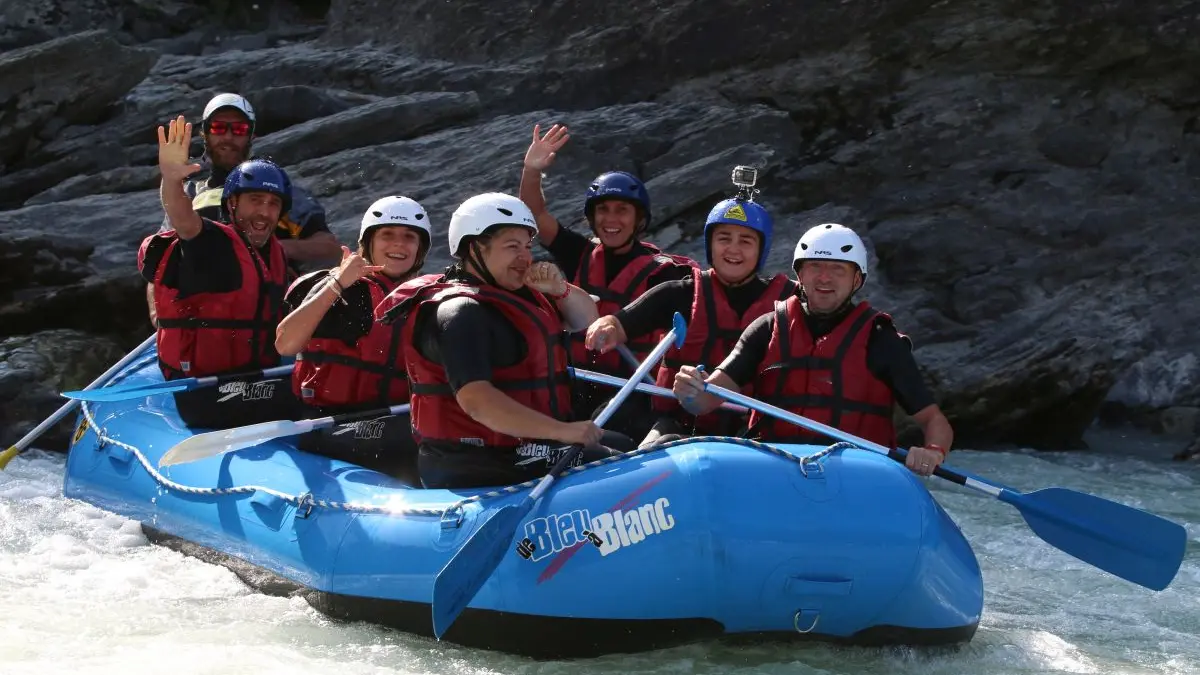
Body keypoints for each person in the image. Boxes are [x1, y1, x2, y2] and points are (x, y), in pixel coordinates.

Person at [376, 192, 634, 489]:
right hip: (471, 458)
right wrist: (562, 431)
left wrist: (559, 289)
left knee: (624, 442)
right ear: (474, 249)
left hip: (520, 445)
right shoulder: (459, 311)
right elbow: (477, 402)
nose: (525, 257)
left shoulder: (523, 295)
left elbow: (586, 321)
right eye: (512, 247)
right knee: (617, 461)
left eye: (527, 246)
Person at [671, 223, 955, 477]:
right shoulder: (767, 329)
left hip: (856, 474)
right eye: (815, 267)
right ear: (800, 274)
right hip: (774, 468)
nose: (824, 278)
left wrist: (932, 451)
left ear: (857, 280)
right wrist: (691, 391)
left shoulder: (882, 340)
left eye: (837, 269)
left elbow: (934, 420)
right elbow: (705, 401)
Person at [585, 178, 797, 445]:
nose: (733, 249)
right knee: (650, 445)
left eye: (745, 241)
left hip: (750, 430)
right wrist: (606, 326)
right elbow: (621, 322)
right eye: (723, 238)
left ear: (761, 250)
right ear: (710, 244)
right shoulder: (679, 293)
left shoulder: (789, 301)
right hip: (677, 423)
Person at [519, 123, 698, 425]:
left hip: (633, 392)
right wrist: (531, 169)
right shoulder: (579, 253)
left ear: (638, 219)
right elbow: (533, 216)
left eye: (622, 210)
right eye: (603, 210)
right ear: (592, 217)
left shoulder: (667, 273)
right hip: (575, 383)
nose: (611, 219)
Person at [138, 115, 299, 429]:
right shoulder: (214, 244)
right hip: (205, 390)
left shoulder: (273, 254)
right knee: (311, 397)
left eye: (272, 204)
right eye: (255, 201)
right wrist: (171, 180)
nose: (264, 212)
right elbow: (184, 221)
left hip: (253, 378)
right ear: (233, 205)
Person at [275, 196, 438, 483]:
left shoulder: (429, 297)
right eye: (387, 235)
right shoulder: (345, 291)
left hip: (396, 419)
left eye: (409, 237)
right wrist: (337, 284)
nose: (399, 244)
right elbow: (285, 344)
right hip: (332, 425)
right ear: (369, 243)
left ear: (420, 249)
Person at [146, 93, 339, 323]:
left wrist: (263, 249)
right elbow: (161, 262)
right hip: (201, 321)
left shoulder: (278, 191)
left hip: (270, 317)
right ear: (204, 134)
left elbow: (329, 249)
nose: (228, 137)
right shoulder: (188, 195)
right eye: (218, 128)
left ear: (251, 136)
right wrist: (157, 314)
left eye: (238, 130)